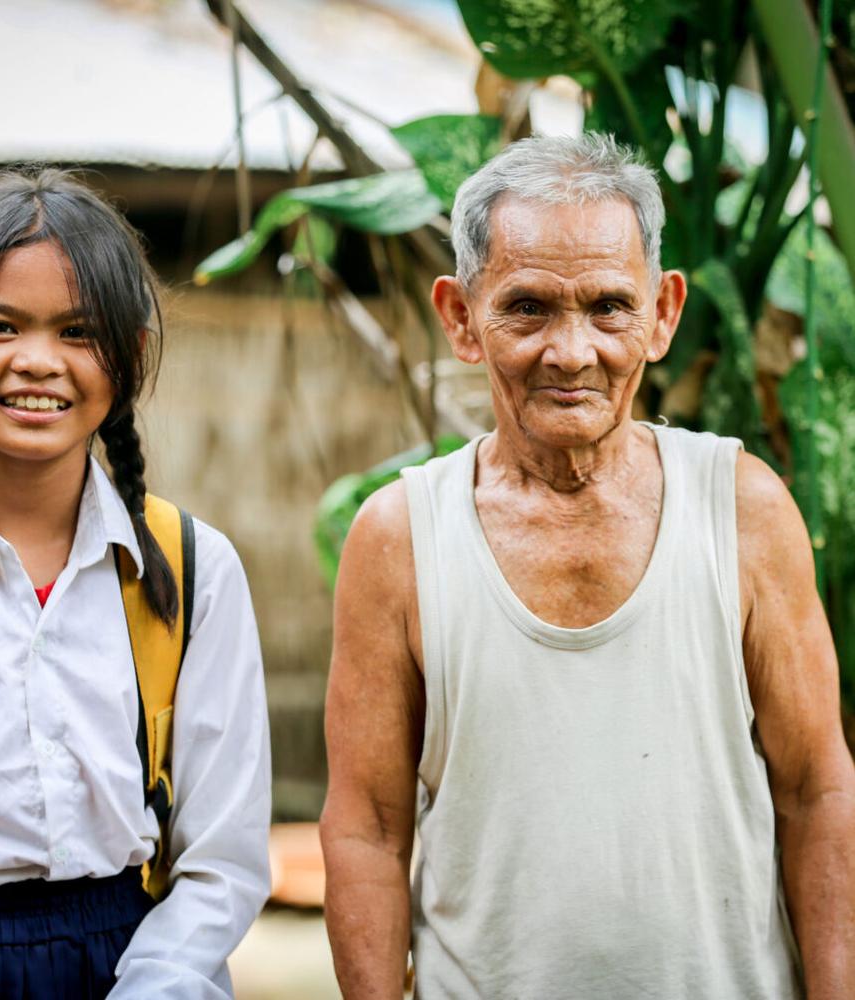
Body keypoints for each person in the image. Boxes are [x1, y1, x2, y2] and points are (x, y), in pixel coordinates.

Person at [320, 133, 855, 999]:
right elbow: (367, 830)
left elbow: (818, 793)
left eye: (609, 307)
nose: (573, 352)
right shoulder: (400, 537)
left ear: (662, 315)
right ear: (461, 316)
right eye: (528, 308)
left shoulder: (742, 510)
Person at [0, 169, 271, 999]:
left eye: (79, 332)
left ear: (133, 352)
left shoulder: (193, 567)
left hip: (133, 964)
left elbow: (221, 858)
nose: (37, 362)